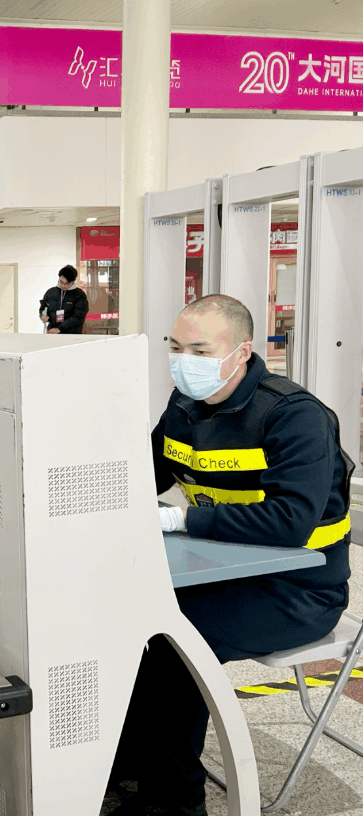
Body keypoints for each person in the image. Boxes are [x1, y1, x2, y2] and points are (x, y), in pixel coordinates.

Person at [111, 294, 353, 816]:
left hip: (300, 590)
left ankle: (173, 805)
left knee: (175, 646)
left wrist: (182, 519)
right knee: (126, 622)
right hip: (226, 570)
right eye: (176, 347)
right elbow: (141, 475)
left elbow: (290, 522)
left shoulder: (295, 416)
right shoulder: (184, 405)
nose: (183, 361)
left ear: (242, 352)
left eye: (199, 350)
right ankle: (129, 764)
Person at [39, 264, 89, 334]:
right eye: (61, 282)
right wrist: (43, 316)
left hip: (72, 334)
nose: (63, 285)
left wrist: (60, 329)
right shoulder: (51, 292)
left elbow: (78, 317)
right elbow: (43, 307)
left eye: (67, 283)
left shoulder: (79, 295)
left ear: (73, 281)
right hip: (52, 333)